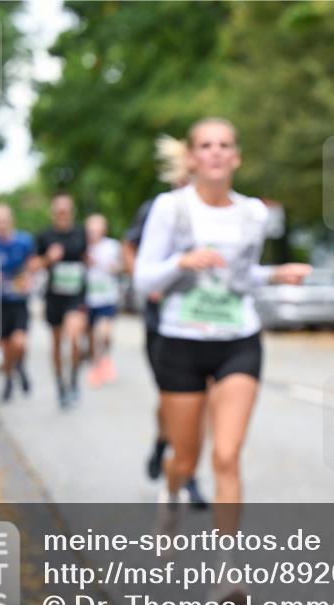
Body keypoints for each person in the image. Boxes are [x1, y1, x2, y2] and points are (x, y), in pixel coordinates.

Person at [134, 117, 310, 602]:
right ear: (191, 157)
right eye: (205, 145)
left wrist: (276, 275)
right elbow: (143, 280)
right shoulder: (171, 208)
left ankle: (227, 571)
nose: (215, 152)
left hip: (238, 338)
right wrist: (179, 263)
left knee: (226, 455)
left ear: (236, 157)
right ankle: (169, 497)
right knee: (184, 458)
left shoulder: (252, 213)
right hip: (180, 341)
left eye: (224, 145)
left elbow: (240, 278)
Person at [123, 136, 208, 507]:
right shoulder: (157, 208)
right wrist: (146, 282)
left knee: (200, 400)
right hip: (164, 319)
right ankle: (166, 445)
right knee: (172, 399)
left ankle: (187, 475)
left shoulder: (217, 209)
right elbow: (130, 248)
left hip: (205, 318)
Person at [31, 193, 89, 409]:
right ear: (53, 213)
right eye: (59, 211)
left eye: (66, 211)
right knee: (57, 342)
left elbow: (86, 256)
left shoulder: (81, 232)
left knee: (74, 337)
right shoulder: (45, 236)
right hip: (54, 296)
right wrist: (48, 258)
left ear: (72, 212)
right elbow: (33, 265)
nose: (63, 215)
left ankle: (74, 380)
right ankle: (61, 387)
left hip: (76, 294)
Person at [0, 203, 36, 402]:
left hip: (19, 302)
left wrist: (28, 277)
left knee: (19, 343)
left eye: (4, 221)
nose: (1, 225)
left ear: (11, 221)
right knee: (4, 347)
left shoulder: (24, 241)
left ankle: (19, 366)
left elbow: (32, 265)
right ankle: (9, 381)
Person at [84, 213, 122, 386]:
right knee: (92, 335)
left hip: (107, 297)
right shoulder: (82, 247)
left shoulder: (112, 246)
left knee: (104, 333)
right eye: (90, 229)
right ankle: (96, 367)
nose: (93, 232)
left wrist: (113, 267)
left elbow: (122, 267)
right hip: (88, 298)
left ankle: (104, 359)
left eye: (96, 228)